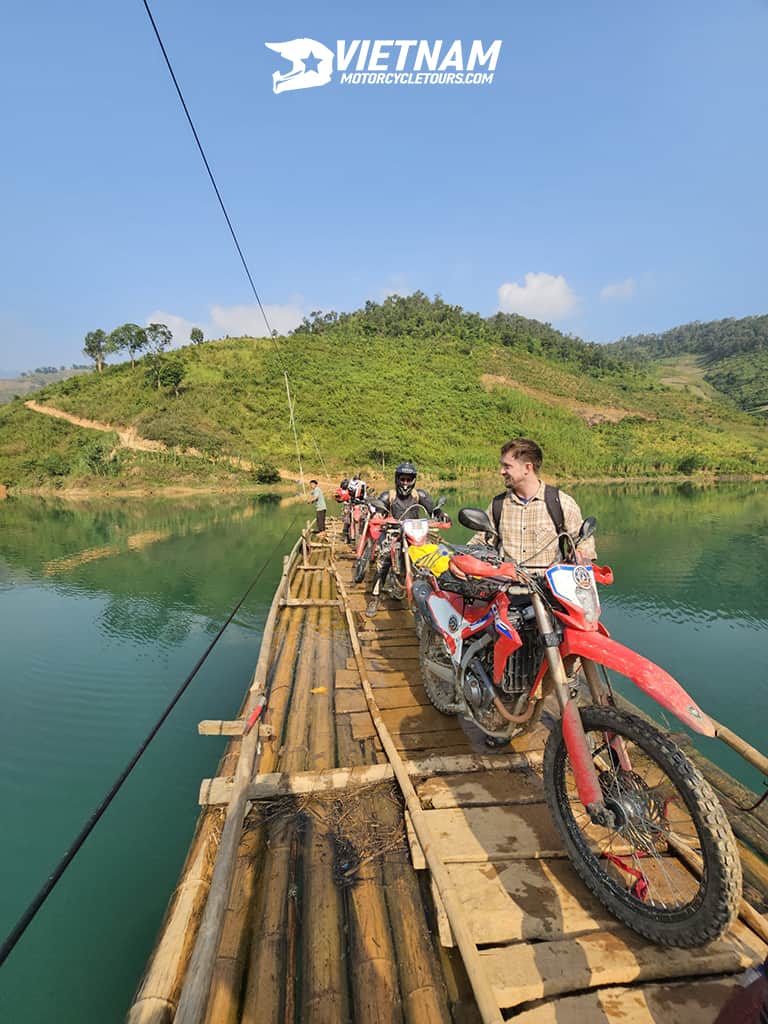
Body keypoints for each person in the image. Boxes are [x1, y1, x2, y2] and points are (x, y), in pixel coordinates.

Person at [471, 438, 596, 566]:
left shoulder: (561, 502)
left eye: (507, 466)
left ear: (527, 468)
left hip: (548, 583)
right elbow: (480, 543)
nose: (501, 471)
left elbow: (583, 540)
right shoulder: (498, 505)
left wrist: (581, 552)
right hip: (504, 583)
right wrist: (464, 558)